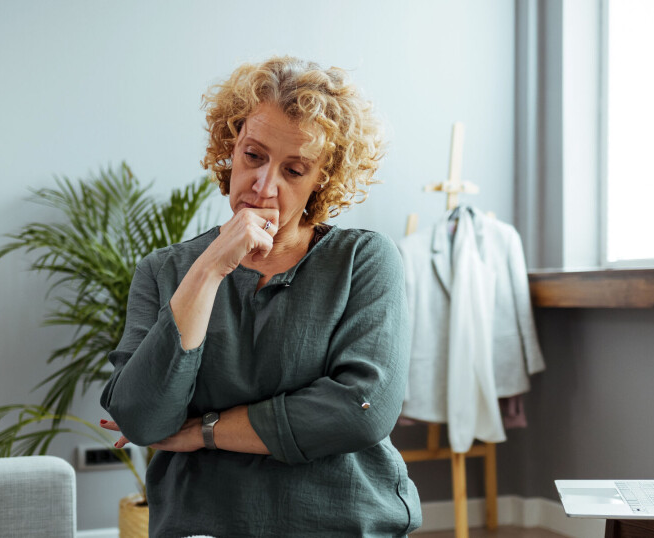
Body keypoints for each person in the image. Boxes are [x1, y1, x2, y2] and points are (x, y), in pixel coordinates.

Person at [100, 56, 421, 537]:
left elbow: (362, 409)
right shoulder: (165, 271)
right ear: (230, 149)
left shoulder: (365, 260)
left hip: (342, 522)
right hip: (202, 524)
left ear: (322, 181)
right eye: (253, 156)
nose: (263, 186)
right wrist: (210, 269)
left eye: (294, 170)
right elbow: (144, 419)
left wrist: (202, 431)